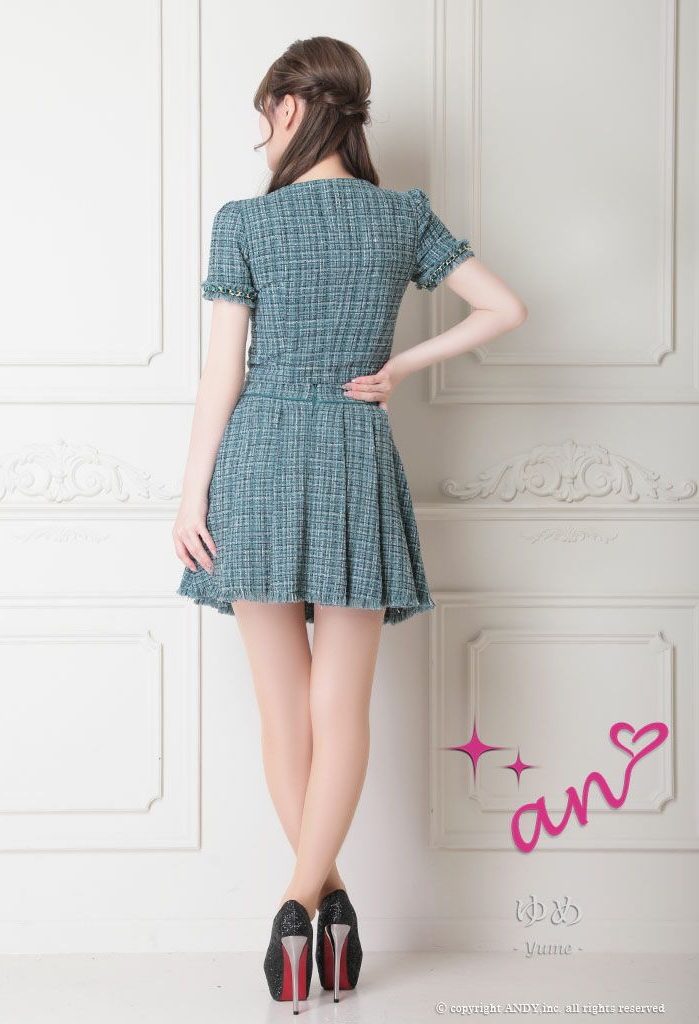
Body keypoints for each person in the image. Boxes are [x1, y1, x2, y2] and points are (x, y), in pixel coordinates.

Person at [172, 35, 527, 1013]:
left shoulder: (245, 221)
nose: (261, 132)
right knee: (342, 711)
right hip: (353, 458)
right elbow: (504, 307)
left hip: (255, 462)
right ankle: (315, 898)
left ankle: (305, 901)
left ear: (291, 105)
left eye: (264, 113)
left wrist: (192, 494)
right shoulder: (402, 215)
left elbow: (222, 374)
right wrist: (399, 367)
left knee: (283, 712)